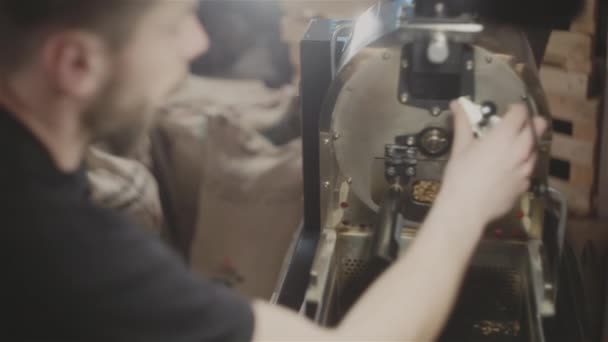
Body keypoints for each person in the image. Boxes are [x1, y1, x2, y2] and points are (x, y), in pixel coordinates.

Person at [0, 1, 547, 341]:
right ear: (75, 63)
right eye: (173, 26)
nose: (200, 42)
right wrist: (465, 205)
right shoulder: (63, 250)